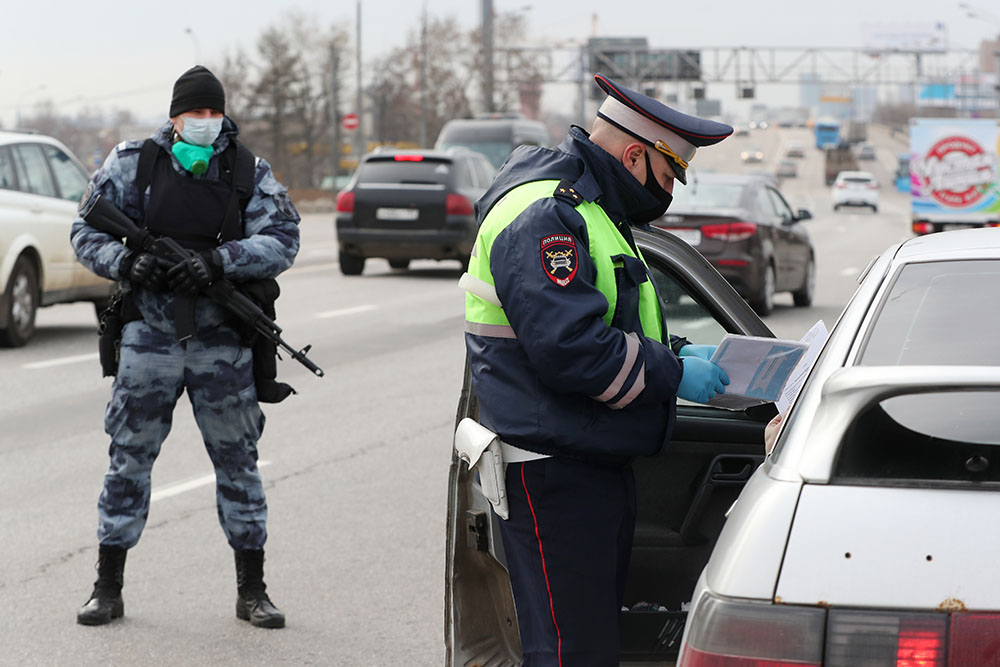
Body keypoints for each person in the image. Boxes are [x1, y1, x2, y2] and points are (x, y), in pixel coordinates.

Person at [462, 73, 733, 665]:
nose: (667, 193)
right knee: (570, 651)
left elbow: (614, 319)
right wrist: (671, 375)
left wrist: (679, 350)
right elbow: (572, 350)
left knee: (589, 644)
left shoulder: (591, 210)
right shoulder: (545, 215)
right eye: (667, 176)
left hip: (585, 460)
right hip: (553, 470)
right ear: (635, 154)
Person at [70, 66, 300, 629]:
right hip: (148, 337)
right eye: (194, 113)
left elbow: (284, 238)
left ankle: (253, 591)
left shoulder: (246, 170)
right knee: (128, 461)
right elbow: (85, 232)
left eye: (211, 112)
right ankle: (107, 587)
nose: (203, 121)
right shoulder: (135, 163)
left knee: (239, 464)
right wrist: (129, 262)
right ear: (174, 116)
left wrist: (219, 262)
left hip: (221, 342)